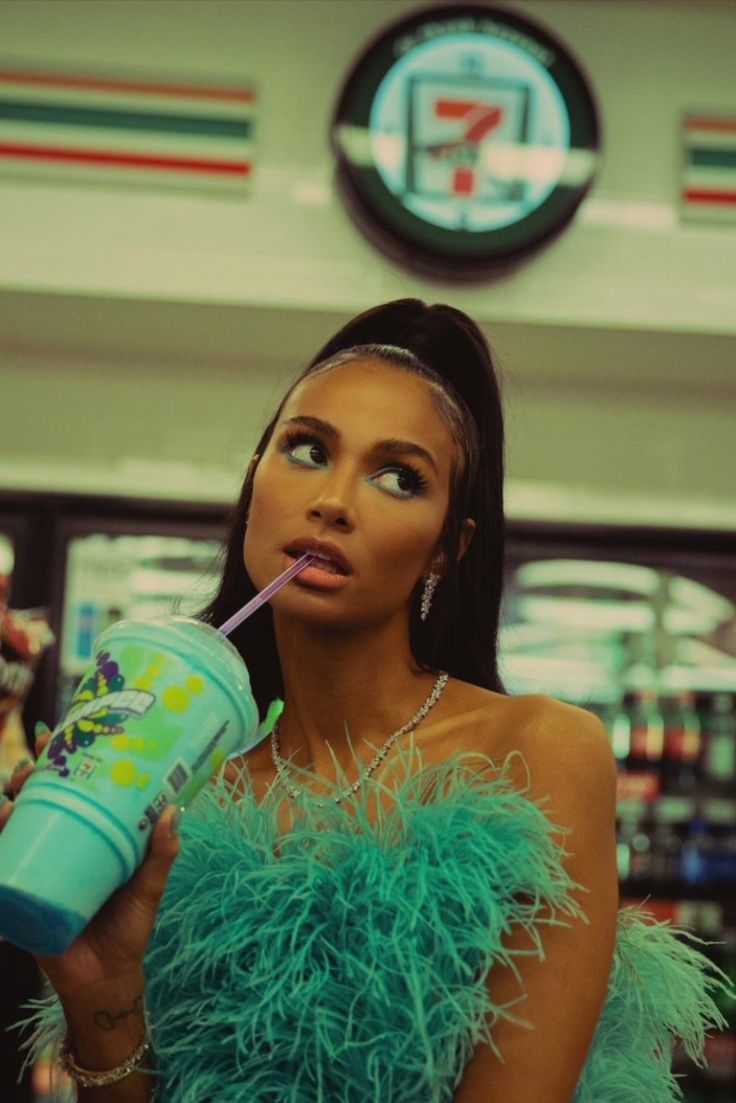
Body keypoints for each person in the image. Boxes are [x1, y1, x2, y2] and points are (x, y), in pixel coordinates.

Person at [3, 299, 730, 1102]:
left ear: (447, 548)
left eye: (398, 476)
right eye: (308, 448)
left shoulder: (536, 753)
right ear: (256, 479)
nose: (335, 499)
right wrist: (101, 991)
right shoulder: (183, 789)